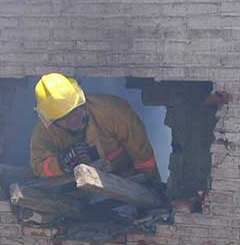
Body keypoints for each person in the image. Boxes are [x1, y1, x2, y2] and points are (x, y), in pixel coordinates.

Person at [30, 73, 159, 181]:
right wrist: (62, 162)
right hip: (79, 192)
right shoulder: (45, 132)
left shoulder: (112, 112)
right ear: (51, 119)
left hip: (127, 179)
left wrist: (151, 183)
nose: (72, 120)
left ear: (81, 102)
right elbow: (39, 166)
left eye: (75, 111)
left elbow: (144, 157)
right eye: (63, 118)